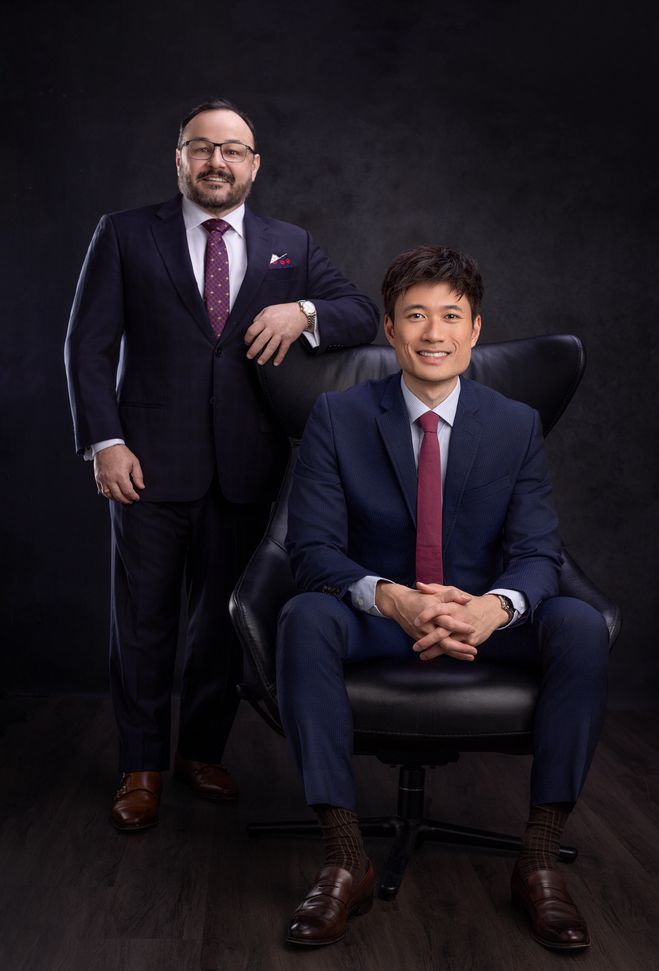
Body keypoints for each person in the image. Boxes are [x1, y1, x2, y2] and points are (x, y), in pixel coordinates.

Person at [276, 245, 608, 950]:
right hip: (378, 617)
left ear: (475, 329)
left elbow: (537, 551)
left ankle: (538, 861)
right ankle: (345, 858)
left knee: (578, 625)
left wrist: (494, 608)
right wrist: (393, 599)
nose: (434, 333)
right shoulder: (337, 416)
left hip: (479, 616)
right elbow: (312, 551)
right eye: (415, 315)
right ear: (390, 328)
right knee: (304, 616)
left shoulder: (515, 423)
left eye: (451, 316)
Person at [64, 98, 379, 832]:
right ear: (179, 158)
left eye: (232, 150)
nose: (217, 161)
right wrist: (104, 442)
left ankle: (200, 752)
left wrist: (304, 312)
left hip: (245, 468)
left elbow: (362, 312)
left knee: (220, 628)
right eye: (202, 147)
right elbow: (86, 347)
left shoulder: (290, 245)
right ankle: (141, 765)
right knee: (143, 622)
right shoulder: (124, 234)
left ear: (254, 165)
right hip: (144, 465)